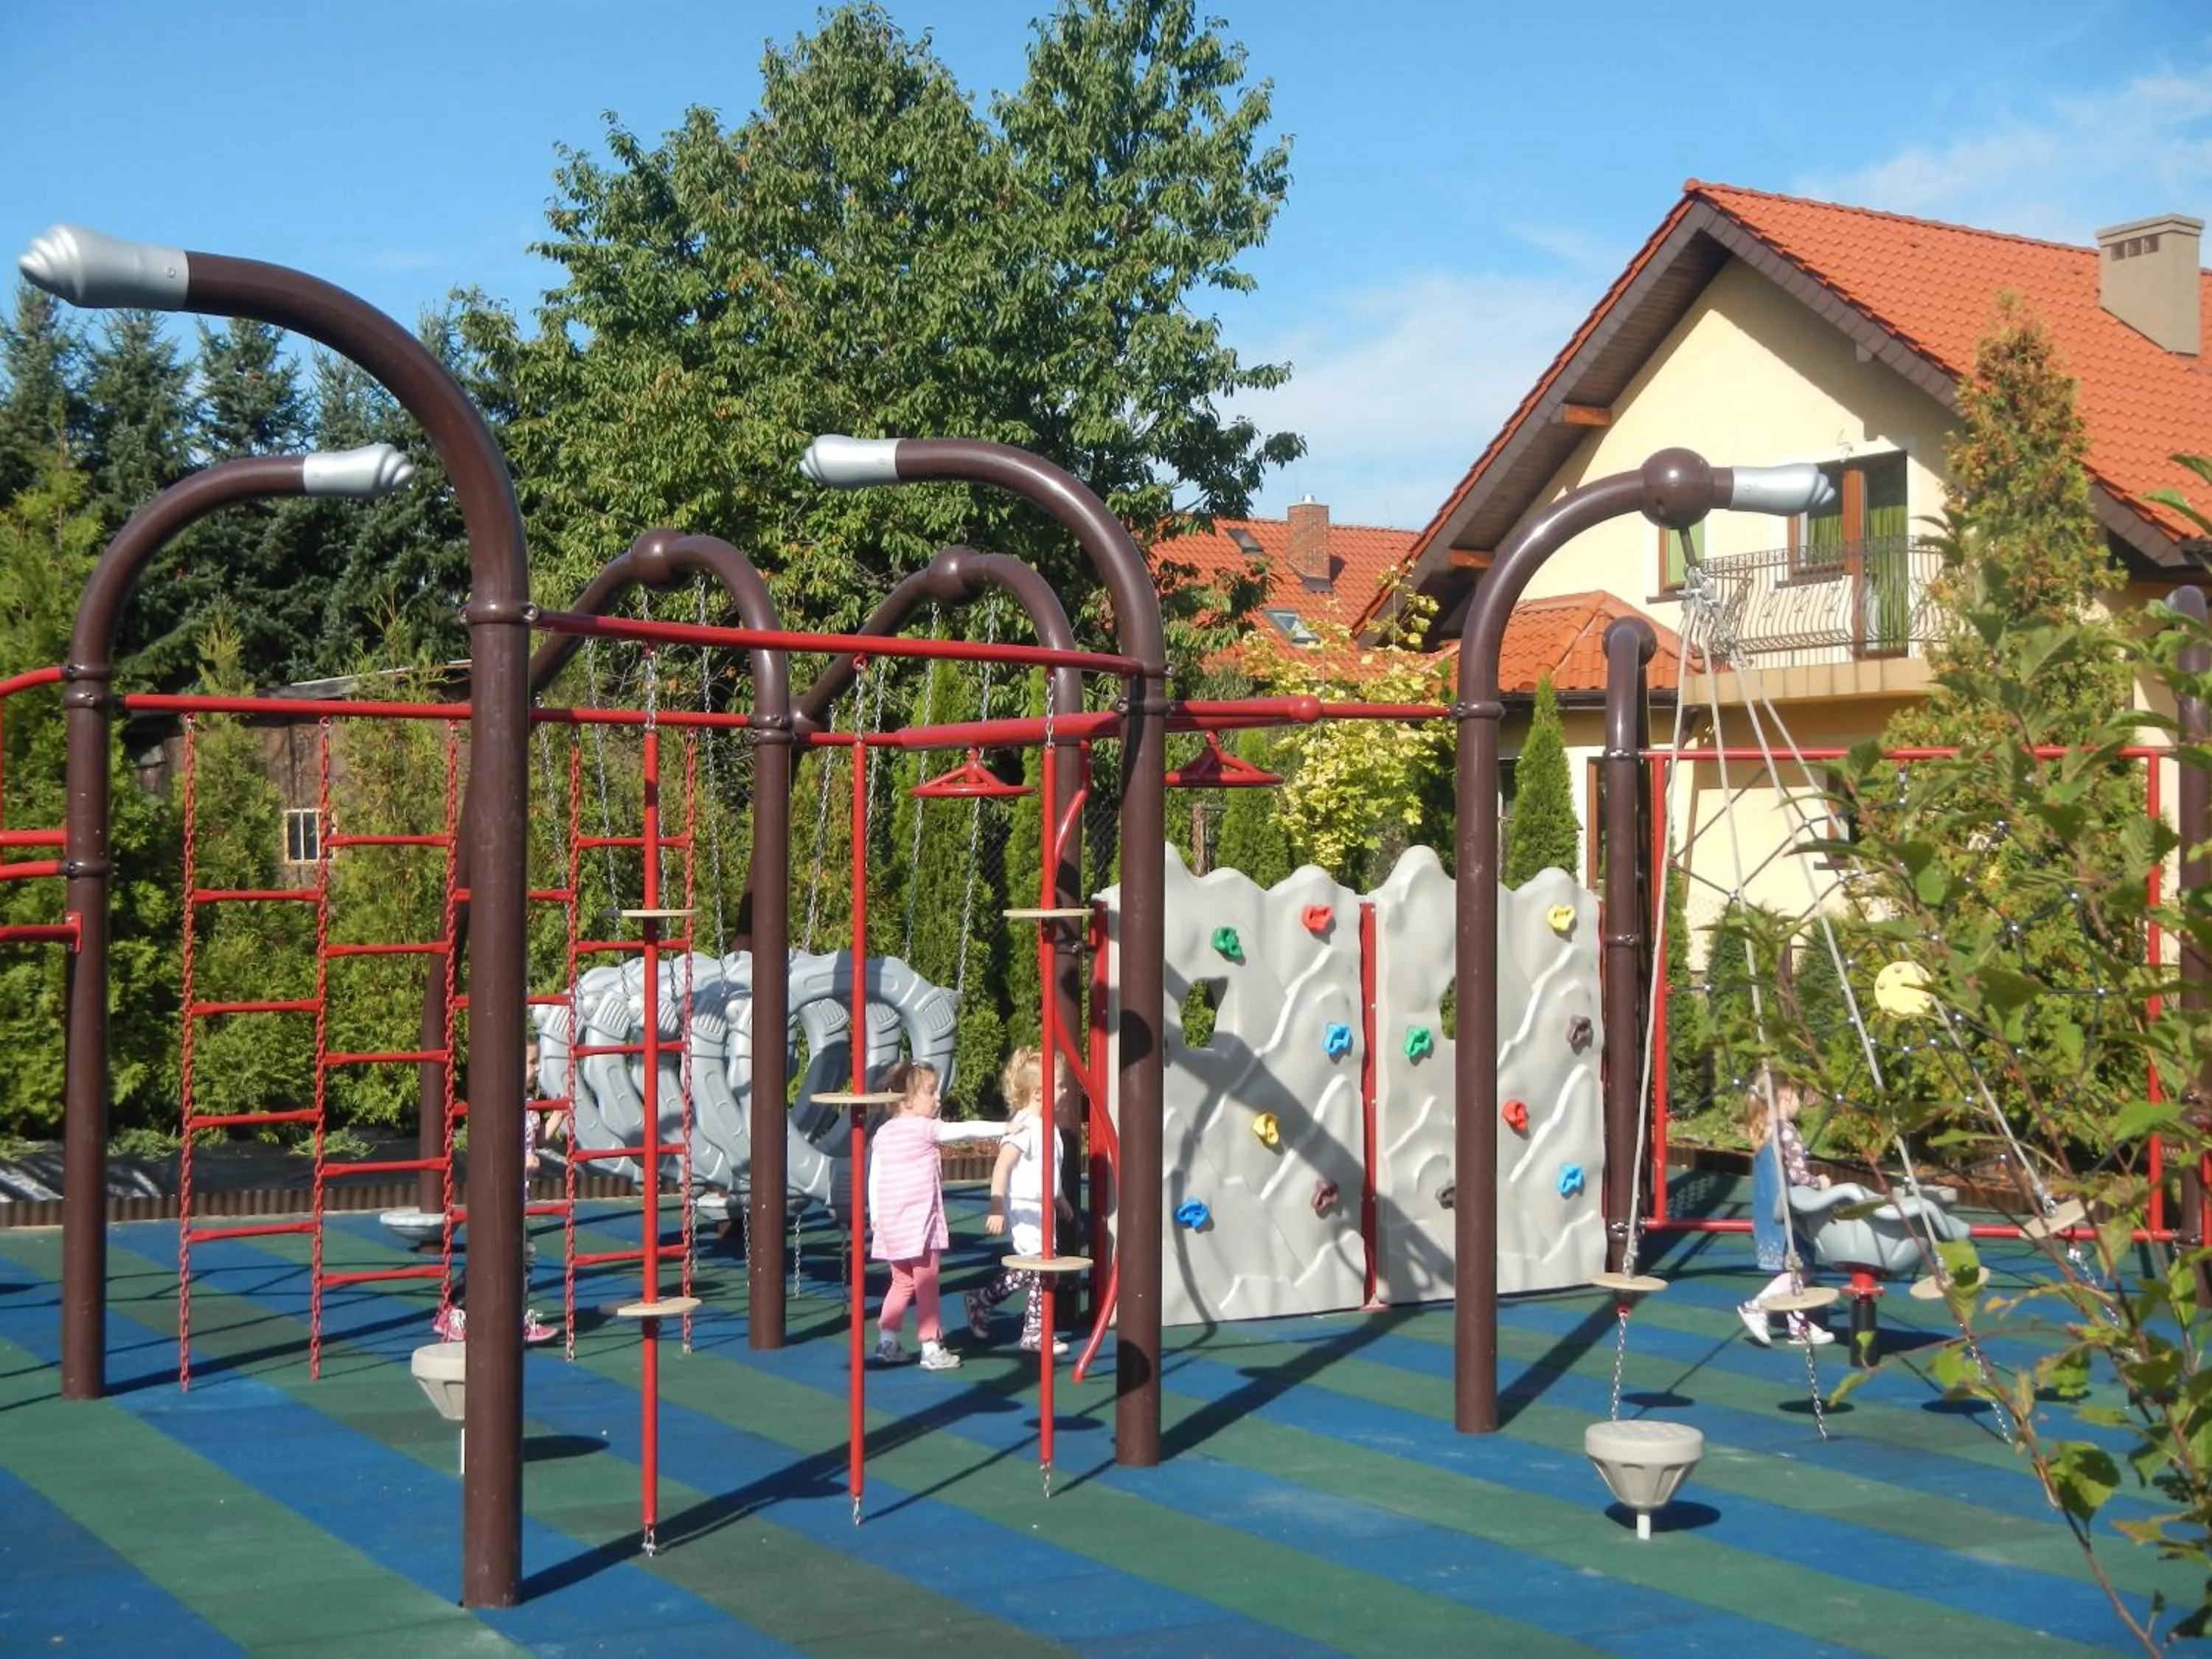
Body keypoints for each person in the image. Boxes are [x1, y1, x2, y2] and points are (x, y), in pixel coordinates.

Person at [867, 1060, 1001, 1370]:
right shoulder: (925, 1128)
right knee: (926, 1283)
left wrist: (876, 1216)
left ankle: (888, 1340)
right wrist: (1004, 1128)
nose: (938, 1098)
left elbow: (876, 1176)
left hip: (893, 1225)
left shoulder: (885, 1133)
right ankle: (931, 1347)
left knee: (900, 1283)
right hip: (921, 1225)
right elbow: (965, 1131)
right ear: (908, 1100)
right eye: (931, 1092)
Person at [432, 1030, 557, 1345]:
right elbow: (495, 1149)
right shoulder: (501, 1105)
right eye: (531, 1062)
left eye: (538, 1061)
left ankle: (458, 1310)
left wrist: (561, 1111)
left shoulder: (529, 1103)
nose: (538, 1068)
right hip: (496, 1195)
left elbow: (539, 1142)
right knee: (518, 1254)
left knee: (500, 1255)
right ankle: (466, 1311)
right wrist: (522, 1160)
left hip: (517, 1196)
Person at [964, 1046, 1079, 1356]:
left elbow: (1048, 1170)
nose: (1064, 1090)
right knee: (1042, 1266)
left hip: (1043, 1206)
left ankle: (983, 1297)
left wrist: (1059, 1198)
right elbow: (1003, 1165)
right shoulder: (1025, 1125)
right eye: (1059, 1085)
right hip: (1026, 1207)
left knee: (1038, 1268)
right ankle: (1034, 1331)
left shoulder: (1050, 1127)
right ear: (1039, 1093)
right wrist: (997, 1207)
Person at [1738, 1074, 1834, 1348]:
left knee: (1789, 1271)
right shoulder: (1786, 1131)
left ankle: (1798, 1325)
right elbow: (1798, 1175)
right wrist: (1821, 1184)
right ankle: (1757, 1306)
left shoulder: (1764, 1131)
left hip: (1768, 1213)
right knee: (1801, 1269)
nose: (1800, 1104)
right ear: (1785, 1098)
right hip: (1788, 1213)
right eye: (1797, 1097)